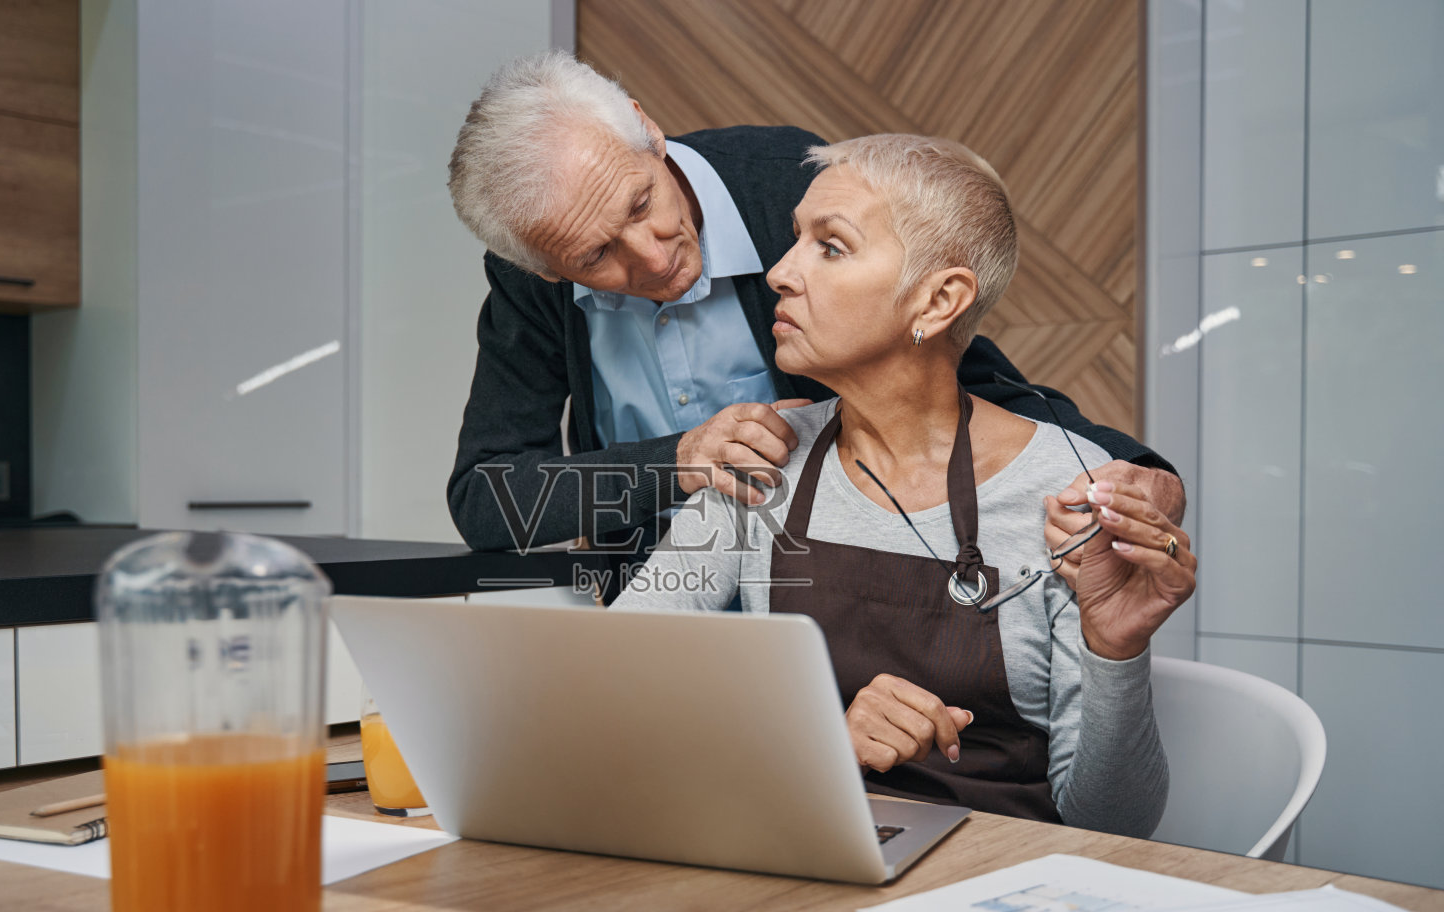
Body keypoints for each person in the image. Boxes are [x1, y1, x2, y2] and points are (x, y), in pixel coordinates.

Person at [612, 134, 1197, 836]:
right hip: (813, 858)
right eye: (794, 239)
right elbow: (617, 693)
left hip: (1006, 891)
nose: (778, 273)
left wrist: (1116, 650)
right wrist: (818, 742)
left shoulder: (1069, 498)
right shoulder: (762, 458)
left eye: (830, 247)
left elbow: (1112, 824)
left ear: (938, 300)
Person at [444, 52, 1181, 573]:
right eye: (597, 257)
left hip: (831, 602)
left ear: (644, 126)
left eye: (644, 203)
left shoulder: (789, 193)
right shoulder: (533, 284)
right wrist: (678, 463)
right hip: (658, 612)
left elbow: (951, 372)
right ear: (546, 266)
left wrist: (1132, 468)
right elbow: (487, 497)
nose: (653, 257)